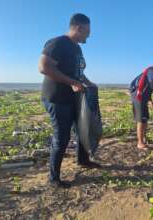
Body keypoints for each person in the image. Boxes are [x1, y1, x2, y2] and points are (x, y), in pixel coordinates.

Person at [38, 13, 100, 188]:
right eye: (87, 31)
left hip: (74, 97)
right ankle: (54, 178)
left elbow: (77, 71)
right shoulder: (57, 43)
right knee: (62, 137)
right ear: (79, 28)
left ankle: (83, 160)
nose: (89, 35)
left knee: (82, 129)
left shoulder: (77, 48)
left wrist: (87, 82)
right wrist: (72, 82)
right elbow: (43, 67)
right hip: (57, 98)